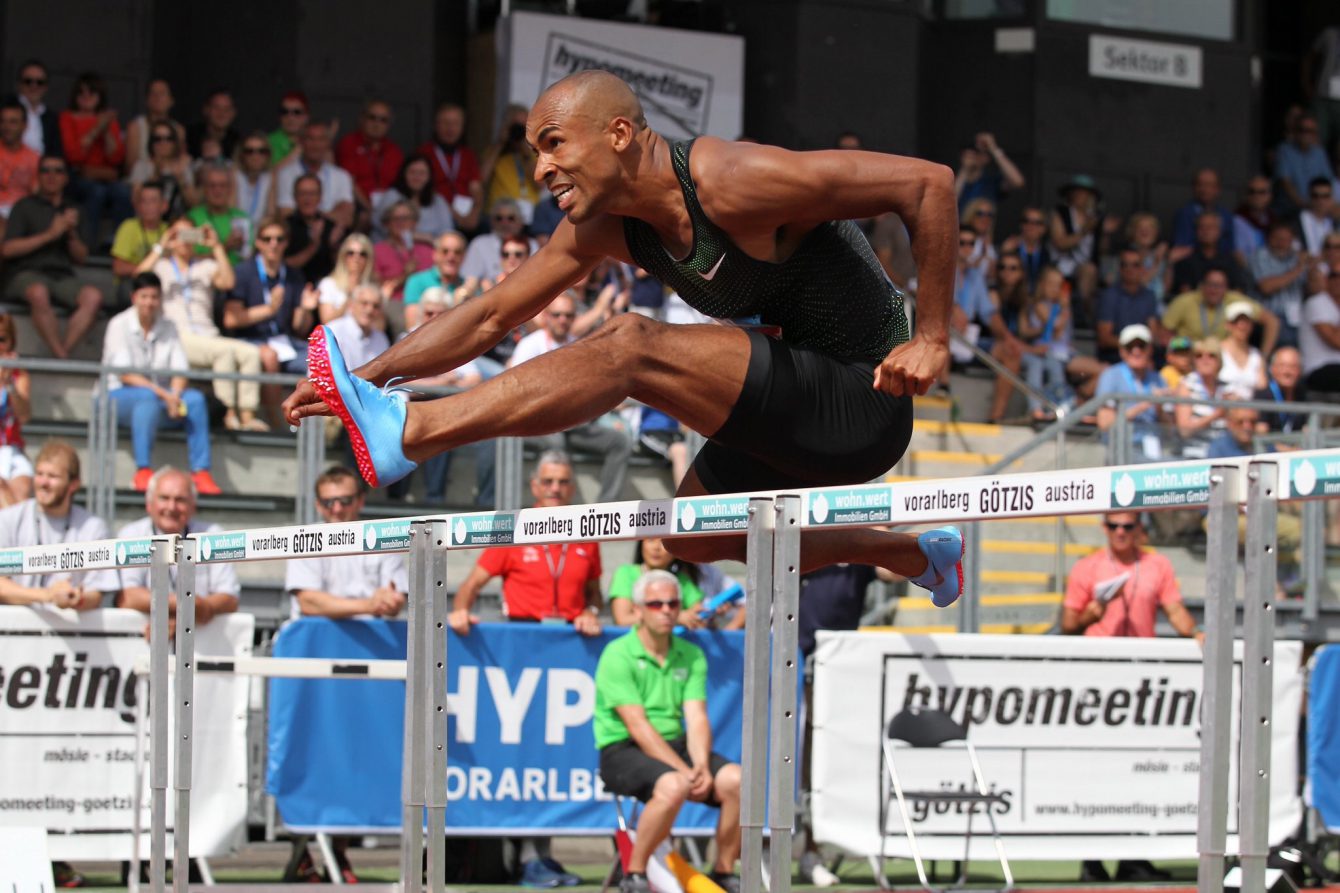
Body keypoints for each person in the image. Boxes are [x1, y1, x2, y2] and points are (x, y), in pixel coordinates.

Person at [285, 70, 964, 606]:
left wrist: (932, 334)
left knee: (631, 343)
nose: (540, 169)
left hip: (865, 395)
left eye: (554, 143)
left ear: (617, 133)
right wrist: (365, 376)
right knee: (693, 534)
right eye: (532, 154)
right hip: (799, 400)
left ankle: (412, 433)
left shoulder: (731, 182)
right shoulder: (607, 225)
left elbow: (927, 184)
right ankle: (910, 554)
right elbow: (492, 315)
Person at [449, 449, 596, 888]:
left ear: (571, 488)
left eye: (563, 482)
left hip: (568, 661)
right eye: (548, 482)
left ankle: (542, 854)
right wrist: (459, 612)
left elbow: (594, 593)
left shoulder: (588, 533)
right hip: (520, 659)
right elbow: (470, 586)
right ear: (534, 487)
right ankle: (528, 854)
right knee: (523, 754)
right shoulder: (513, 529)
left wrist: (590, 609)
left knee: (557, 757)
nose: (555, 489)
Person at [283, 464, 404, 884]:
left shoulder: (383, 539)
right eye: (330, 502)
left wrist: (383, 603)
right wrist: (370, 605)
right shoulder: (306, 539)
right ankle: (305, 848)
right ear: (319, 504)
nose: (337, 509)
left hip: (365, 666)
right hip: (312, 669)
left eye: (346, 501)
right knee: (309, 755)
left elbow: (397, 597)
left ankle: (333, 851)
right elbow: (311, 604)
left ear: (360, 501)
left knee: (355, 755)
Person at [1062, 510, 1197, 883]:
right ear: (1104, 529)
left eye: (1128, 526)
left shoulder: (1158, 565)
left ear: (1140, 529)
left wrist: (1197, 635)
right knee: (1096, 771)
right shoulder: (1087, 568)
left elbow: (1175, 610)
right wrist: (1093, 612)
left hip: (1141, 682)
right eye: (1113, 525)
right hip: (1099, 682)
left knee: (1140, 768)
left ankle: (1134, 857)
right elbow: (1068, 625)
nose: (1121, 532)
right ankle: (1091, 860)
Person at [594, 568, 743, 893]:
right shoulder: (617, 654)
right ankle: (634, 875)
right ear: (637, 610)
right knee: (674, 785)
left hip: (675, 746)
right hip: (622, 749)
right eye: (655, 604)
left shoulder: (690, 653)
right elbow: (637, 725)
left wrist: (701, 764)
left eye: (672, 604)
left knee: (738, 781)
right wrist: (685, 770)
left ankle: (723, 872)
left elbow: (697, 717)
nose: (665, 611)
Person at [142, 220, 267, 432]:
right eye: (179, 234)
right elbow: (139, 277)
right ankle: (227, 413)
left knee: (251, 354)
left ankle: (247, 415)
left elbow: (228, 282)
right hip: (176, 336)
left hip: (207, 334)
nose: (184, 239)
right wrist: (162, 245)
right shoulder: (162, 266)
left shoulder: (205, 265)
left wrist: (217, 246)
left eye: (189, 234)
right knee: (224, 352)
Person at [103, 272, 221, 494]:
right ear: (133, 298)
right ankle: (143, 470)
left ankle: (201, 471)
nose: (149, 302)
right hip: (116, 398)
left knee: (194, 400)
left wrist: (175, 396)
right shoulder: (118, 325)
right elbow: (125, 375)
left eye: (154, 297)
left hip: (159, 398)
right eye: (144, 296)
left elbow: (180, 371)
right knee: (146, 398)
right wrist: (167, 396)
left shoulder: (169, 326)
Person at [508, 293, 633, 503]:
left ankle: (606, 509)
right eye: (557, 315)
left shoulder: (579, 347)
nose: (562, 320)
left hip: (573, 424)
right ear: (546, 317)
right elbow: (513, 391)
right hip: (536, 424)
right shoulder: (530, 345)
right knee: (556, 443)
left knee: (620, 441)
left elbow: (592, 389)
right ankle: (557, 504)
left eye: (568, 315)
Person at [0, 155, 105, 358]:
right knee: (38, 292)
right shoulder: (25, 206)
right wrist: (51, 234)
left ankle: (62, 353)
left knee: (94, 297)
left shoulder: (74, 210)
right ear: (38, 176)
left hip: (61, 276)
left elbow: (81, 258)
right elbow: (8, 249)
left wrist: (71, 232)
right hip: (24, 273)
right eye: (46, 170)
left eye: (58, 171)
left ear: (66, 178)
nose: (51, 176)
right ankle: (61, 355)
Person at [116, 466, 239, 635]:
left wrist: (188, 613)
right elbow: (128, 597)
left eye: (180, 500)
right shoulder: (131, 535)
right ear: (149, 504)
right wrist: (190, 606)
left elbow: (229, 599)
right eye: (164, 498)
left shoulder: (213, 535)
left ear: (193, 505)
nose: (171, 507)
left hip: (202, 647)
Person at [0, 440, 119, 610]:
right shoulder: (8, 518)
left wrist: (75, 598)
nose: (43, 483)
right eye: (39, 474)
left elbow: (97, 592)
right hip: (17, 629)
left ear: (73, 484)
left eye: (53, 476)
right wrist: (47, 596)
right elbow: (1, 586)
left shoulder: (93, 527)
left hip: (71, 630)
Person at [224, 217, 319, 419]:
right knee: (269, 356)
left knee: (320, 359)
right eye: (267, 239)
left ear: (286, 243)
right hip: (251, 339)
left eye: (279, 239)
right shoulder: (243, 272)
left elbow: (299, 328)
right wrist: (269, 309)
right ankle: (278, 424)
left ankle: (316, 426)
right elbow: (231, 320)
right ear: (257, 242)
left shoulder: (293, 275)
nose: (273, 244)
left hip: (285, 341)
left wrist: (304, 308)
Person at [59, 71, 130, 248]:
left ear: (100, 96)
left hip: (104, 178)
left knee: (122, 191)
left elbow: (116, 158)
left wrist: (105, 129)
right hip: (78, 178)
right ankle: (87, 244)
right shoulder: (67, 118)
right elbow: (74, 156)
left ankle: (120, 242)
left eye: (92, 93)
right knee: (96, 192)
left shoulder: (108, 121)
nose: (86, 97)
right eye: (81, 93)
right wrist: (97, 128)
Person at [608, 537, 739, 629]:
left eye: (664, 543)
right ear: (641, 544)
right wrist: (677, 618)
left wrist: (710, 614)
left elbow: (697, 618)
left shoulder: (683, 580)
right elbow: (623, 620)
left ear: (675, 551)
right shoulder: (625, 573)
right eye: (650, 540)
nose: (656, 548)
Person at [1163, 268, 1278, 356]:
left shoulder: (1232, 299)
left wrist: (1264, 356)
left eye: (1219, 286)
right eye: (1210, 285)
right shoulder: (1185, 301)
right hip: (1189, 357)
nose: (1214, 290)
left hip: (1225, 359)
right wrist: (1184, 348)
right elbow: (1163, 333)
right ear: (1201, 286)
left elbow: (1272, 321)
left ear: (1226, 288)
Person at [1095, 324, 1167, 462]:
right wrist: (1145, 404)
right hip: (1122, 447)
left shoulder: (1158, 378)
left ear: (1150, 349)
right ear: (1121, 351)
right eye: (1130, 347)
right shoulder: (1111, 376)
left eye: (1141, 346)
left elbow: (1171, 426)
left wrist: (1160, 408)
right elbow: (1105, 423)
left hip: (1155, 447)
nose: (1136, 351)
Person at [415, 102, 482, 232]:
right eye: (445, 123)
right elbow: (426, 189)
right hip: (436, 211)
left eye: (456, 123)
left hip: (467, 213)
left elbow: (476, 188)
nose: (450, 128)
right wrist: (455, 215)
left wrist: (475, 212)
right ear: (436, 125)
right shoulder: (424, 153)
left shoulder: (468, 155)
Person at [276, 122, 355, 231]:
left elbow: (347, 218)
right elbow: (285, 214)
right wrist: (331, 214)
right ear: (301, 142)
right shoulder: (286, 174)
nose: (315, 144)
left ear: (328, 143)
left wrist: (308, 214)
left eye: (321, 139)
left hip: (332, 238)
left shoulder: (342, 176)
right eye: (310, 138)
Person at [1250, 220, 1312, 347]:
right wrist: (1299, 269)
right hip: (1269, 319)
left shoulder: (1296, 258)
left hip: (1296, 319)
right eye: (1277, 239)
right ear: (1268, 238)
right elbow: (1266, 287)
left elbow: (1311, 290)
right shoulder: (1260, 256)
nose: (1281, 243)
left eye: (1286, 239)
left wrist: (1314, 268)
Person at [335, 99, 403, 216]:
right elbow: (348, 182)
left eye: (383, 120)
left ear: (389, 125)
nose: (377, 124)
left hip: (389, 211)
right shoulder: (349, 144)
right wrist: (369, 209)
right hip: (358, 207)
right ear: (362, 119)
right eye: (372, 117)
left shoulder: (395, 151)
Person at [1096, 247, 1161, 365]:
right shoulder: (1109, 296)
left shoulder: (1149, 296)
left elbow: (1153, 333)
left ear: (1142, 269)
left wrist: (1139, 351)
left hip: (1142, 356)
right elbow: (1104, 339)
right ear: (1119, 269)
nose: (1129, 269)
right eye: (1125, 265)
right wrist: (1134, 347)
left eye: (1135, 265)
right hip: (1114, 357)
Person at [370, 153, 456, 242]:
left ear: (429, 177)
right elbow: (378, 224)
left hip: (430, 251)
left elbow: (448, 233)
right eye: (412, 172)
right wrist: (418, 237)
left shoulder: (438, 201)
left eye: (422, 173)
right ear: (404, 174)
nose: (417, 177)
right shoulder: (392, 195)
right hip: (392, 249)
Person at [402, 230, 478, 330]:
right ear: (435, 254)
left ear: (464, 257)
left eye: (457, 252)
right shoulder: (417, 281)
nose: (451, 257)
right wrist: (457, 302)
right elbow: (412, 327)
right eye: (445, 251)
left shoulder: (468, 287)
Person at [1174, 338, 1231, 460]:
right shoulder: (1187, 385)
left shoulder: (1226, 388)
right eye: (1199, 356)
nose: (1205, 360)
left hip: (1224, 454)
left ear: (1219, 361)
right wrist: (1216, 415)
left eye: (1211, 356)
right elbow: (1184, 430)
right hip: (1195, 455)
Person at [127, 121, 196, 221]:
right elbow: (136, 201)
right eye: (158, 139)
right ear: (151, 143)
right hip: (148, 223)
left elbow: (193, 203)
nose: (163, 143)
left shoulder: (182, 166)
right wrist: (156, 174)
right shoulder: (141, 166)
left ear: (175, 143)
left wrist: (181, 178)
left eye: (169, 139)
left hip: (176, 223)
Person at [283, 172, 344, 284]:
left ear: (320, 197)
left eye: (312, 193)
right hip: (292, 286)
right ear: (294, 197)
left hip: (325, 288)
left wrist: (334, 247)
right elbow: (283, 265)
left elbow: (343, 269)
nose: (308, 199)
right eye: (303, 193)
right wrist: (314, 245)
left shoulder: (331, 227)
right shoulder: (284, 226)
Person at [186, 161, 250, 264]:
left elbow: (248, 256)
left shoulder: (242, 219)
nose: (217, 190)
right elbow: (188, 258)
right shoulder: (190, 219)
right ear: (204, 189)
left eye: (222, 185)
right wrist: (225, 248)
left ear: (230, 189)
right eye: (212, 185)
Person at [372, 200, 434, 302]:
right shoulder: (378, 250)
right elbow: (378, 287)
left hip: (427, 304)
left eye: (405, 218)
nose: (400, 223)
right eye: (395, 219)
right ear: (387, 224)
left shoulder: (427, 250)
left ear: (414, 222)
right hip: (393, 304)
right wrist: (405, 275)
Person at [0, 313, 32, 506]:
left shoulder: (18, 373)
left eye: (2, 339)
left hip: (11, 449)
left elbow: (24, 415)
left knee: (21, 496)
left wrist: (8, 384)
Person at [1170, 211, 1244, 295]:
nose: (1206, 231)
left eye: (1210, 227)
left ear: (1219, 231)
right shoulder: (1185, 260)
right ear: (1196, 232)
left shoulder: (1230, 260)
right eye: (1201, 227)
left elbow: (1238, 290)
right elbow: (1185, 292)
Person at [953, 131, 1024, 213]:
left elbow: (1018, 182)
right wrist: (965, 169)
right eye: (967, 153)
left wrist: (993, 149)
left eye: (977, 153)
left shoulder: (990, 182)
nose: (972, 156)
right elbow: (951, 201)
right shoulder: (951, 180)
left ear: (986, 158)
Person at [1170, 168, 1234, 256]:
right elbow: (1182, 247)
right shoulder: (1185, 214)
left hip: (1222, 263)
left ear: (1218, 189)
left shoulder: (1226, 215)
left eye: (1209, 185)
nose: (1204, 189)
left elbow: (1230, 247)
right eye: (1200, 184)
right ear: (1194, 187)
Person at [124, 79, 186, 170]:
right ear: (146, 100)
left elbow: (181, 162)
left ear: (171, 100)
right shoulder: (135, 127)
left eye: (162, 93)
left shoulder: (179, 129)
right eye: (153, 93)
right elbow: (130, 167)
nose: (157, 97)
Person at [7, 59, 62, 158]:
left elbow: (55, 152)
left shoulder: (51, 118)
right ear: (19, 83)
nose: (34, 86)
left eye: (39, 82)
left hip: (40, 170)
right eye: (28, 81)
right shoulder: (5, 106)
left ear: (46, 87)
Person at [0, 98, 38, 237]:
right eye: (3, 121)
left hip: (22, 213)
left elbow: (37, 194)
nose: (6, 126)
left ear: (24, 125)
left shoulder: (34, 158)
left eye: (13, 122)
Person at [317, 233, 376, 322]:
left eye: (362, 254)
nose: (356, 258)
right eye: (351, 253)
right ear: (343, 256)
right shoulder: (328, 284)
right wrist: (350, 299)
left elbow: (379, 326)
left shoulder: (372, 288)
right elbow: (326, 321)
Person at [1254, 346, 1308, 439]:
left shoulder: (1303, 396)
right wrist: (1285, 450)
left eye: (1293, 366)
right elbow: (1261, 435)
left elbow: (1307, 431)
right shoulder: (1263, 396)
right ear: (1272, 369)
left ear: (1300, 370)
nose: (1287, 372)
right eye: (1282, 366)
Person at [1300, 268, 1340, 392]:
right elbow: (1336, 341)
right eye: (1334, 275)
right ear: (1326, 279)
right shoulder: (1317, 302)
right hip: (1319, 369)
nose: (1338, 280)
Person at [1219, 301, 1267, 399]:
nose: (1242, 326)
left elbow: (1262, 387)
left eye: (1246, 322)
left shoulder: (1257, 355)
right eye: (1236, 322)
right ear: (1228, 325)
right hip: (1222, 409)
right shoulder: (1217, 351)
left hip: (1251, 410)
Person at [233, 131, 277, 234]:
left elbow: (271, 214)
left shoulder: (270, 177)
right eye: (249, 151)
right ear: (241, 155)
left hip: (260, 233)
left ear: (268, 155)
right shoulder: (234, 175)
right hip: (236, 232)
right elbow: (232, 212)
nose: (255, 156)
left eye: (261, 151)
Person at [185, 88, 240, 161]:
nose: (222, 113)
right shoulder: (188, 137)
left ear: (233, 113)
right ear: (206, 110)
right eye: (216, 108)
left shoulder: (238, 143)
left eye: (227, 109)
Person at [267, 91, 309, 170]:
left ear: (306, 117)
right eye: (285, 112)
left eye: (297, 112)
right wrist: (297, 152)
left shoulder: (313, 139)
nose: (290, 117)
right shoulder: (268, 141)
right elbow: (267, 176)